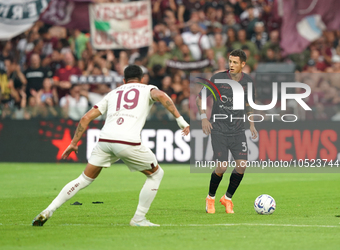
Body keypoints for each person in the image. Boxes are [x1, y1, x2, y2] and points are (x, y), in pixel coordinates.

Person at [32, 65, 190, 227]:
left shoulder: (113, 93)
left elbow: (86, 118)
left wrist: (73, 143)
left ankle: (49, 210)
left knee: (84, 179)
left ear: (123, 80)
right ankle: (138, 218)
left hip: (105, 140)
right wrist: (179, 119)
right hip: (128, 141)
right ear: (142, 79)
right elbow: (163, 96)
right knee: (156, 174)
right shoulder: (147, 89)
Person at [195, 49, 258, 214]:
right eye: (230, 61)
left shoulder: (248, 82)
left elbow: (248, 105)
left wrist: (252, 125)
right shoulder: (218, 78)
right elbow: (199, 97)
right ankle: (210, 198)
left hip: (238, 130)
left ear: (243, 64)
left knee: (242, 166)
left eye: (235, 62)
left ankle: (227, 198)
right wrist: (203, 118)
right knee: (222, 167)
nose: (231, 65)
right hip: (219, 128)